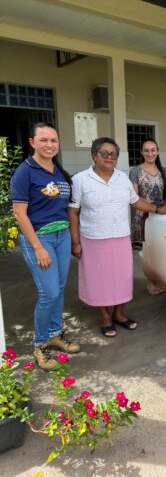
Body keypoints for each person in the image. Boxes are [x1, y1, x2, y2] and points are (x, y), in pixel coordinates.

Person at [68, 137, 166, 338]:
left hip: (120, 237)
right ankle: (105, 317)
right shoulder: (80, 180)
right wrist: (75, 242)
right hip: (94, 240)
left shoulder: (122, 178)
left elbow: (135, 201)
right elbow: (73, 212)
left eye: (113, 154)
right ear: (94, 155)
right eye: (104, 153)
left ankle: (119, 313)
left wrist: (157, 209)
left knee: (121, 278)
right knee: (99, 280)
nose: (109, 157)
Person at [11, 122, 80, 371]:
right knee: (48, 293)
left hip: (61, 236)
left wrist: (72, 239)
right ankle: (40, 344)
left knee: (59, 290)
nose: (49, 145)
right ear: (32, 142)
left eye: (53, 140)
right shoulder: (24, 172)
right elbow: (20, 214)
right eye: (43, 140)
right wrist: (38, 247)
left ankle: (54, 334)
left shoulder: (58, 171)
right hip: (41, 239)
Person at [129, 138, 166, 295]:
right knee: (147, 251)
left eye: (153, 150)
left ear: (157, 151)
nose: (150, 153)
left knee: (160, 248)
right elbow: (134, 196)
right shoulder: (136, 171)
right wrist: (153, 206)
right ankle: (150, 281)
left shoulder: (163, 171)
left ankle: (160, 280)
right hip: (143, 215)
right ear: (141, 152)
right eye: (146, 150)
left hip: (161, 215)